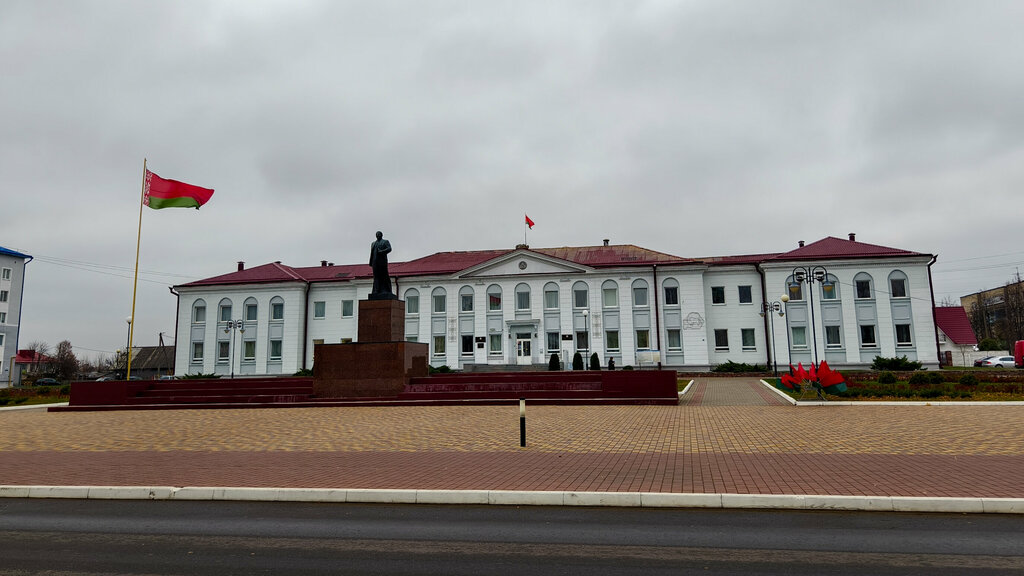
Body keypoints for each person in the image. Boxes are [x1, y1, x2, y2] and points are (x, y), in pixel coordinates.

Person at [369, 231, 394, 299]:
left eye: (379, 234)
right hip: (375, 262)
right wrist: (371, 262)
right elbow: (372, 253)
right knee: (376, 276)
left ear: (381, 235)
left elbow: (389, 249)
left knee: (384, 275)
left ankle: (386, 290)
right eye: (377, 235)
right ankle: (376, 290)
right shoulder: (373, 243)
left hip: (382, 262)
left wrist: (382, 251)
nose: (378, 235)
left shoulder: (385, 241)